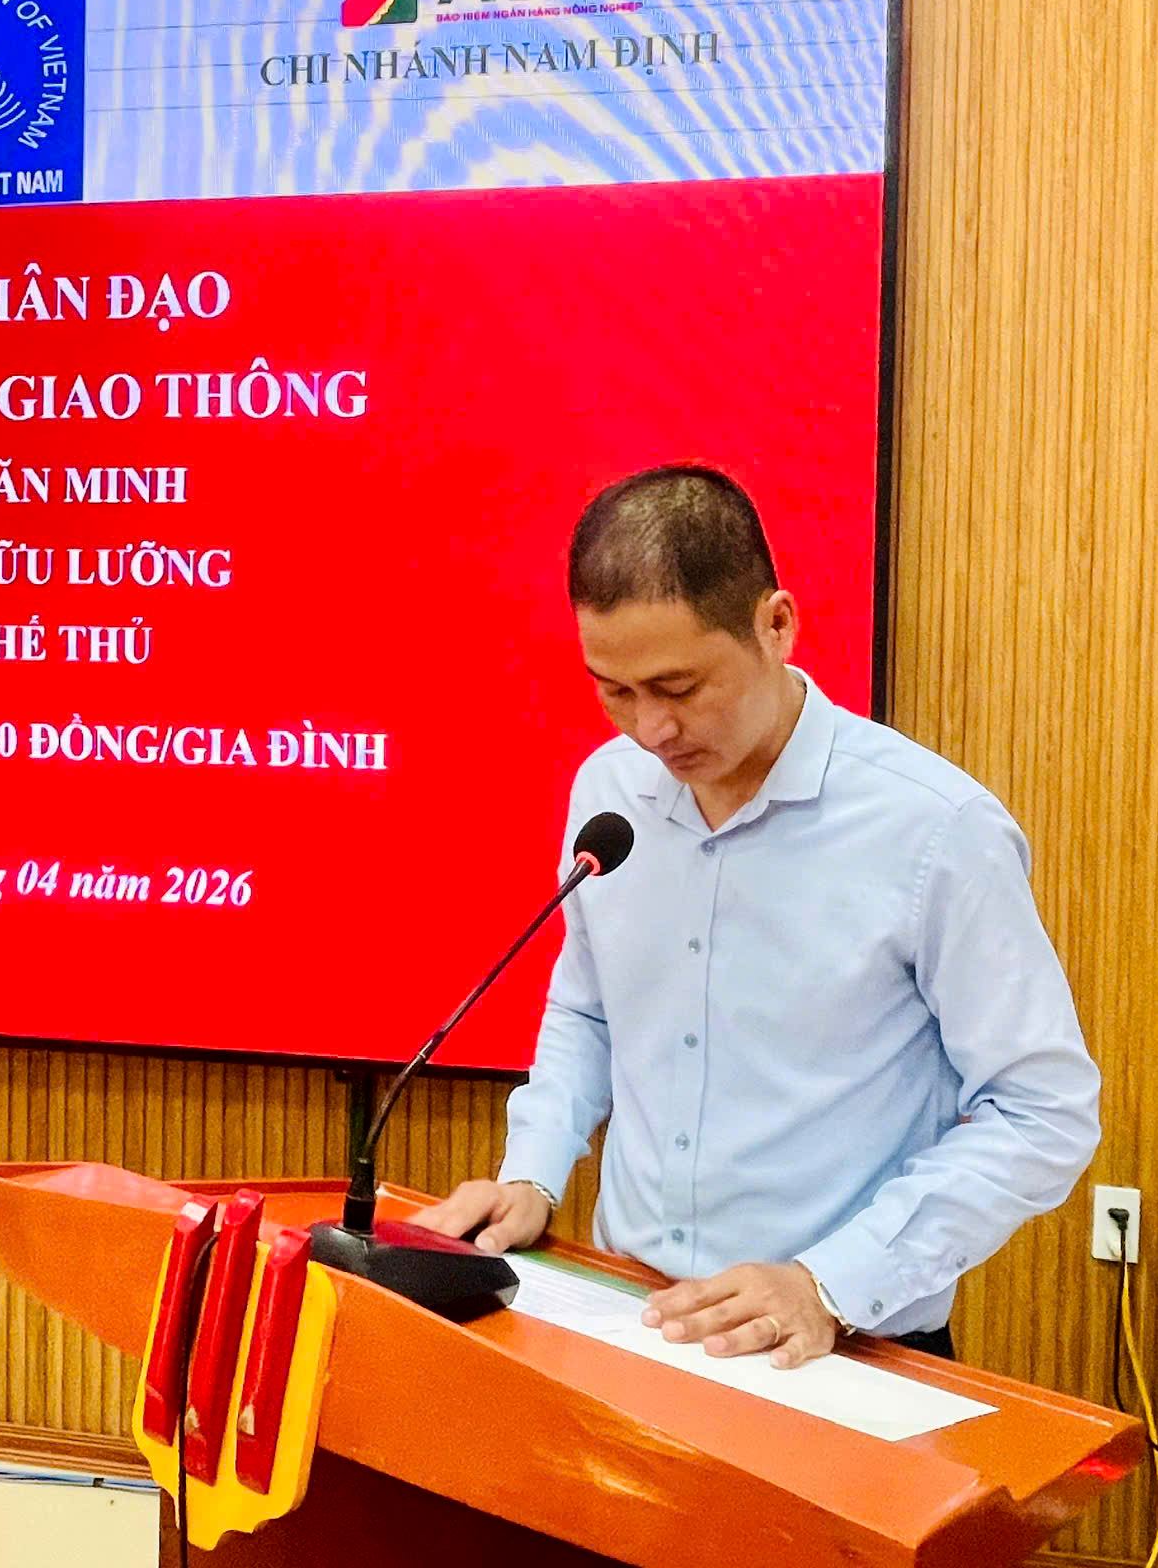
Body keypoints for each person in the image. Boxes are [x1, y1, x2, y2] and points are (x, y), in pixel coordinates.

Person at [412, 466, 1100, 1367]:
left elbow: (1043, 1112)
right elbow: (590, 1010)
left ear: (776, 625)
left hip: (841, 1346)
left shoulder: (935, 830)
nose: (650, 730)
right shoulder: (609, 791)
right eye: (615, 690)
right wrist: (533, 1172)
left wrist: (828, 1282)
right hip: (631, 1314)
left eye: (679, 687)